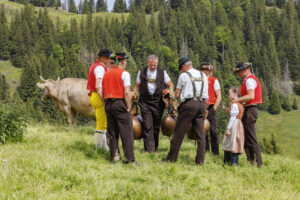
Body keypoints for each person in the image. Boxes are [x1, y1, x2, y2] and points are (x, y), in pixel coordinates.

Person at [164, 57, 208, 165]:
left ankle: (171, 159)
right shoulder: (204, 75)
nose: (181, 70)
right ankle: (200, 161)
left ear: (184, 66)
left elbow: (177, 94)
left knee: (178, 132)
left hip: (189, 105)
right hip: (202, 104)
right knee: (201, 135)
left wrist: (170, 96)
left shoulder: (183, 76)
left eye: (181, 68)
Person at [101, 52, 138, 165]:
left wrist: (106, 103)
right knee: (126, 133)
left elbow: (102, 92)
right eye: (125, 61)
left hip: (108, 104)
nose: (126, 63)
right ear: (122, 62)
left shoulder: (106, 74)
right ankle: (129, 159)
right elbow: (127, 92)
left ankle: (115, 157)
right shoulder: (124, 74)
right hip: (120, 103)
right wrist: (128, 106)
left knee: (112, 133)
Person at [133, 55, 174, 152]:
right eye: (151, 65)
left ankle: (155, 148)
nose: (153, 67)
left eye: (155, 65)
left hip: (158, 103)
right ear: (148, 63)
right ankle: (148, 150)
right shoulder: (141, 72)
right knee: (147, 126)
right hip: (145, 102)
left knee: (156, 126)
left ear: (157, 64)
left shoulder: (162, 72)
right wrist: (133, 95)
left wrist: (169, 94)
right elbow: (137, 86)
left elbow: (170, 84)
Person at [232, 62, 263, 167]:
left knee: (251, 137)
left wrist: (236, 100)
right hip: (248, 110)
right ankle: (251, 162)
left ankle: (258, 163)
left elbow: (250, 96)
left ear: (244, 70)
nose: (238, 75)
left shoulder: (249, 80)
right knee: (246, 137)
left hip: (250, 110)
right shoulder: (248, 80)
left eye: (239, 72)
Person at [87, 48, 112, 150]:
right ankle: (100, 146)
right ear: (103, 58)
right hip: (98, 96)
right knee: (102, 123)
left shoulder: (96, 66)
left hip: (94, 96)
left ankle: (101, 145)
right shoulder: (100, 68)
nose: (110, 60)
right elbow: (98, 86)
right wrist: (104, 100)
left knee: (101, 122)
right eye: (108, 57)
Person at [198, 62, 222, 155]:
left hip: (211, 107)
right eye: (203, 70)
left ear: (209, 71)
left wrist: (214, 108)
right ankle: (205, 150)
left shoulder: (214, 81)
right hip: (201, 107)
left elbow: (219, 96)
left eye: (206, 70)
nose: (204, 72)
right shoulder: (198, 80)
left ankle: (215, 152)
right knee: (202, 130)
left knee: (213, 130)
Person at [222, 87, 244, 166]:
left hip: (234, 124)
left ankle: (230, 163)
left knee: (231, 142)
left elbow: (233, 117)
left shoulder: (234, 104)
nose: (228, 95)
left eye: (230, 93)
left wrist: (228, 128)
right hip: (238, 123)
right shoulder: (239, 104)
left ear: (235, 94)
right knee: (234, 142)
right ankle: (232, 163)